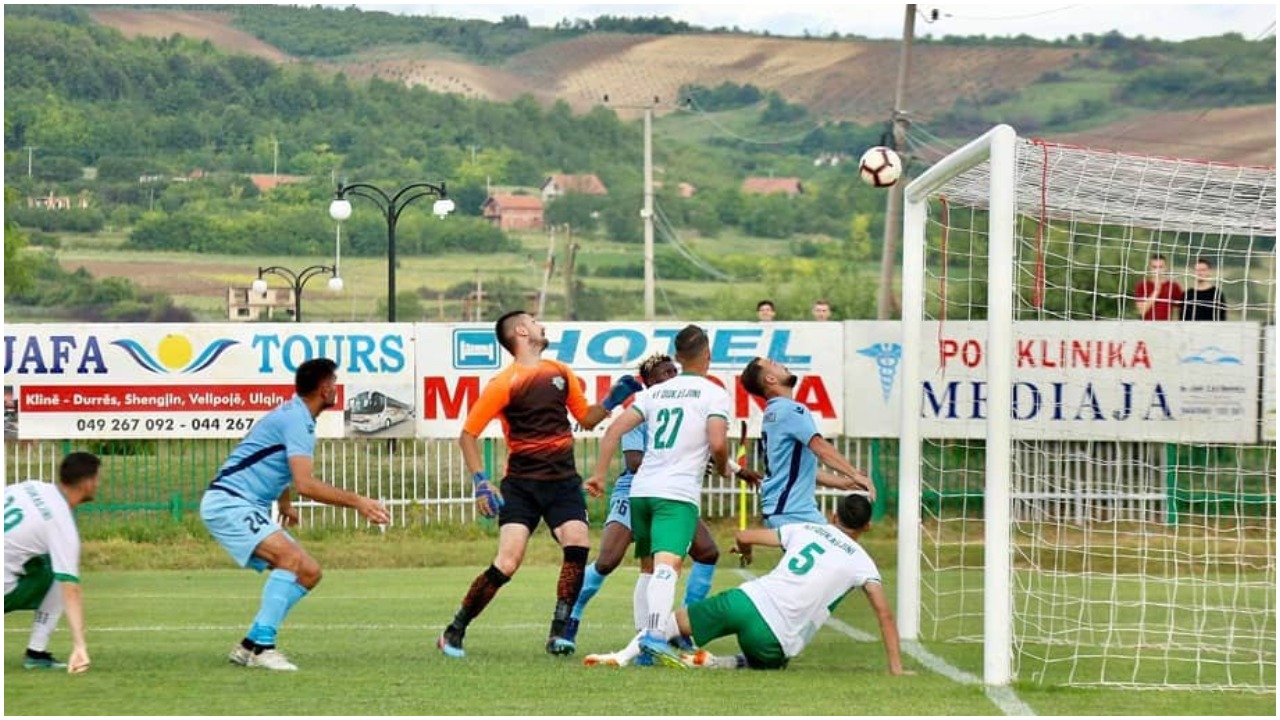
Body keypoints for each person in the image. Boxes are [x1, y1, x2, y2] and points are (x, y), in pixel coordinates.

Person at [439, 311, 644, 659]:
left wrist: (611, 400)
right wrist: (481, 482)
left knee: (577, 541)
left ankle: (559, 631)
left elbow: (585, 418)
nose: (541, 325)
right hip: (522, 485)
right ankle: (454, 630)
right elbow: (467, 436)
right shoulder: (504, 383)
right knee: (508, 561)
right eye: (534, 321)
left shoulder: (560, 372)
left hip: (563, 482)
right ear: (521, 331)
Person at [202, 358, 390, 672]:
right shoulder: (297, 421)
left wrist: (284, 503)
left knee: (309, 572)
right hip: (230, 503)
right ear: (324, 387)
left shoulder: (293, 416)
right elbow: (305, 483)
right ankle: (264, 648)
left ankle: (248, 645)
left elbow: (273, 464)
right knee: (289, 560)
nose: (336, 387)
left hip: (239, 503)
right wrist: (358, 501)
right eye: (334, 381)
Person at [584, 493, 907, 675]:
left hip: (746, 600)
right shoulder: (863, 562)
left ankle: (623, 655)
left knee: (672, 623)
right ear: (867, 526)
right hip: (774, 638)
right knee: (772, 661)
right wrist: (896, 668)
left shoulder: (807, 529)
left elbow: (743, 535)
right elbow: (884, 616)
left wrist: (746, 551)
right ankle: (719, 663)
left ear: (834, 517)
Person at [564, 353, 759, 653]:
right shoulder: (644, 407)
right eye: (662, 373)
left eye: (672, 370)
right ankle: (570, 617)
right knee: (608, 560)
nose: (669, 376)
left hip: (670, 490)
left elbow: (705, 444)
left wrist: (737, 470)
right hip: (637, 489)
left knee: (706, 552)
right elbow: (633, 462)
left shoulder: (685, 402)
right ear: (649, 383)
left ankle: (680, 627)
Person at [584, 324, 732, 667]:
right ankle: (652, 636)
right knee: (669, 568)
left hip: (642, 491)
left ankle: (643, 645)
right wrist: (723, 465)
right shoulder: (713, 393)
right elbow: (719, 442)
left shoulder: (653, 394)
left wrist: (599, 474)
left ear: (678, 359)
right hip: (675, 493)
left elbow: (613, 430)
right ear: (707, 354)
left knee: (649, 570)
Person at [739, 357, 874, 527]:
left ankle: (747, 541)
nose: (782, 364)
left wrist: (842, 483)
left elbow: (797, 469)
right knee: (840, 549)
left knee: (837, 550)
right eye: (774, 364)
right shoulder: (790, 410)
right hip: (793, 512)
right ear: (770, 379)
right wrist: (853, 473)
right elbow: (820, 447)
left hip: (782, 510)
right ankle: (746, 540)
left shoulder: (773, 412)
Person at [4, 452, 100, 673]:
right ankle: (36, 653)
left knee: (47, 562)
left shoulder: (31, 486)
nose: (98, 485)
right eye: (97, 479)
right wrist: (80, 645)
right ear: (87, 483)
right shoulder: (61, 523)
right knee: (62, 576)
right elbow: (71, 590)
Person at [1134, 255, 1183, 321]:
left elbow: (1179, 310)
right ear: (1150, 268)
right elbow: (1142, 311)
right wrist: (1156, 292)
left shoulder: (1174, 286)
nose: (1158, 270)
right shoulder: (1142, 285)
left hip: (1166, 328)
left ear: (1166, 268)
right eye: (1154, 267)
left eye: (1161, 267)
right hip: (1146, 327)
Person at [1182, 257, 1227, 321]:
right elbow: (1182, 318)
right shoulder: (1187, 294)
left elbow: (1222, 317)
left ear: (1209, 271)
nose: (1199, 273)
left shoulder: (1216, 293)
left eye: (1203, 270)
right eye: (1197, 270)